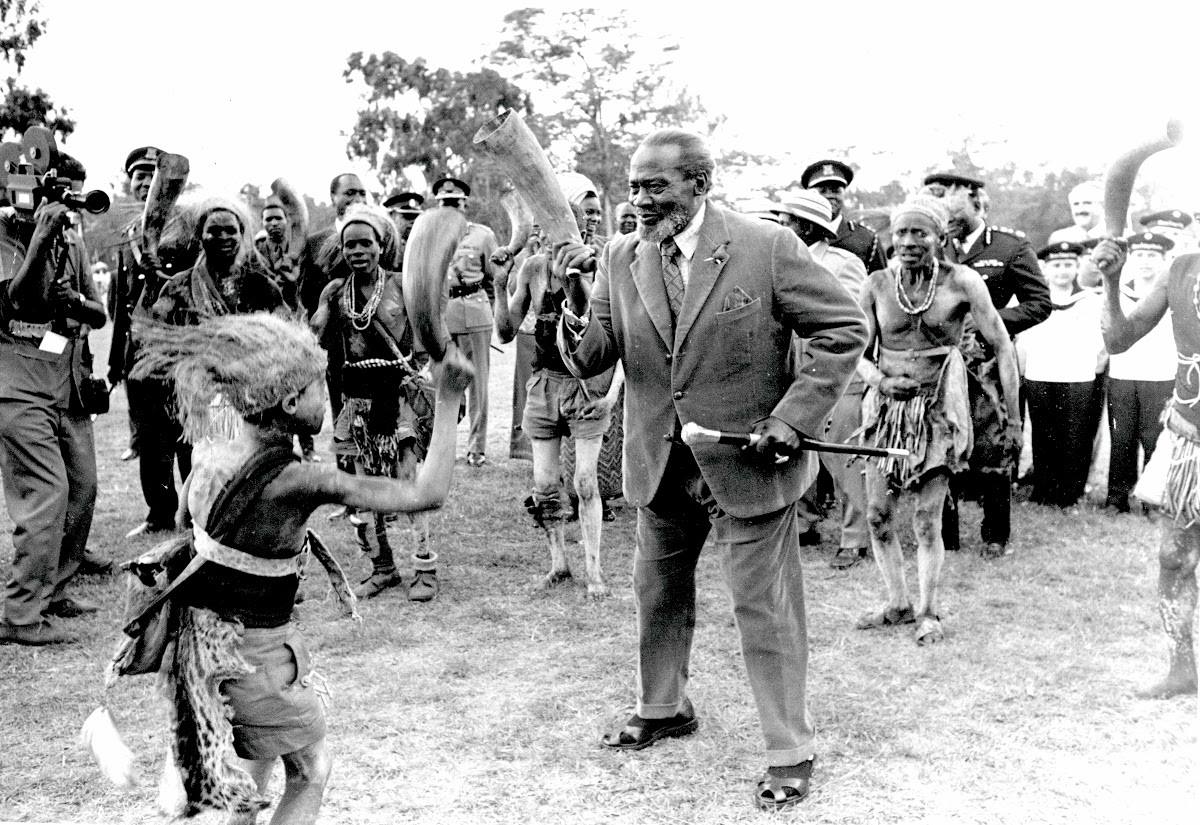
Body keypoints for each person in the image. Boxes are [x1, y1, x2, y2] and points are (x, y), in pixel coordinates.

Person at [555, 129, 868, 810]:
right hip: (660, 462)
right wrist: (573, 299)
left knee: (765, 608)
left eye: (654, 185)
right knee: (656, 594)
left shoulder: (767, 246)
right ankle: (663, 707)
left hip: (749, 462)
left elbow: (843, 327)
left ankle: (790, 750)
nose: (639, 199)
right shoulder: (618, 254)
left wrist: (793, 417)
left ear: (699, 183)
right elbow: (594, 357)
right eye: (634, 185)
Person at [124, 312, 470, 823]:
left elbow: (182, 519)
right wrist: (448, 399)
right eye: (317, 389)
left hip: (203, 644)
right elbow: (426, 492)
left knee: (252, 778)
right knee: (311, 769)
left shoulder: (213, 452)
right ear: (289, 403)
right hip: (255, 656)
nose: (324, 399)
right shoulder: (296, 480)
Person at [855, 196, 1019, 644]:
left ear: (939, 238)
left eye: (919, 233)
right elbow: (858, 353)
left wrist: (1013, 418)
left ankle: (929, 611)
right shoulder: (876, 285)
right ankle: (896, 602)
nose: (909, 242)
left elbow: (1002, 346)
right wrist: (880, 382)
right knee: (877, 516)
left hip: (938, 410)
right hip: (886, 412)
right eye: (901, 232)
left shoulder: (962, 282)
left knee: (928, 518)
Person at [494, 173, 623, 598]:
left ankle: (595, 572)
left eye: (592, 213)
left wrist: (609, 396)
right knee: (546, 486)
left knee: (586, 482)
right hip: (544, 385)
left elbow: (623, 341)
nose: (589, 220)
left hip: (587, 387)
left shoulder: (606, 263)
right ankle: (558, 564)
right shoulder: (532, 269)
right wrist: (498, 284)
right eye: (581, 212)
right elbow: (508, 330)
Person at [0, 155, 108, 646]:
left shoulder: (72, 241)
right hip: (18, 382)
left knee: (81, 488)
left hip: (65, 380)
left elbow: (97, 311)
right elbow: (15, 302)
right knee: (46, 494)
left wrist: (72, 305)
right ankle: (21, 615)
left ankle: (55, 587)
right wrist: (39, 240)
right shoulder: (5, 235)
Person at [311, 204, 442, 602]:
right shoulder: (335, 291)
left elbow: (428, 337)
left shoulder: (403, 284)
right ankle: (382, 567)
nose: (357, 251)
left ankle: (424, 566)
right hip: (355, 400)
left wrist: (428, 380)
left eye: (365, 243)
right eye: (349, 244)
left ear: (381, 244)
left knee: (407, 480)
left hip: (398, 395)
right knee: (363, 489)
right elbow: (314, 336)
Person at [924, 171, 1050, 557]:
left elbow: (1039, 303)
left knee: (993, 445)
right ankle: (945, 537)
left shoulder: (1009, 246)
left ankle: (995, 535)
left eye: (948, 196)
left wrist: (990, 323)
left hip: (989, 364)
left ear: (974, 197)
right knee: (941, 441)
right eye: (934, 197)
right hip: (941, 363)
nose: (942, 206)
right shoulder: (932, 245)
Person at [1094, 235, 1199, 699]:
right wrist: (1111, 280)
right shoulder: (1181, 269)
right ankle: (1182, 668)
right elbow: (1118, 340)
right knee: (1174, 558)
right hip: (1189, 439)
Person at [775, 191, 871, 568]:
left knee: (841, 453)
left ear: (807, 226)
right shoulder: (778, 259)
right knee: (795, 443)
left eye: (788, 222)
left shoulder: (843, 263)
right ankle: (804, 522)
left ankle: (854, 537)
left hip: (833, 367)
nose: (782, 228)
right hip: (790, 362)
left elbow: (852, 322)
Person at [109, 147, 199, 533]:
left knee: (189, 436)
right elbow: (123, 305)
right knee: (151, 440)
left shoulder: (186, 228)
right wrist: (117, 361)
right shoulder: (129, 235)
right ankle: (159, 514)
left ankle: (197, 512)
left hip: (179, 348)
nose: (145, 182)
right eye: (139, 176)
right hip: (140, 353)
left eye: (152, 175)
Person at [1017, 242, 1106, 508]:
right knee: (1043, 434)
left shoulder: (1090, 300)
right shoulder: (1035, 300)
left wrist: (1088, 363)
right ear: (1045, 268)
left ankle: (1070, 492)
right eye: (1056, 265)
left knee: (1075, 435)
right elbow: (1024, 338)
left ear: (1078, 267)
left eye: (1068, 265)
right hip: (1041, 373)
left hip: (1077, 376)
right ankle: (1043, 490)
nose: (1062, 271)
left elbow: (1099, 338)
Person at [1104, 232, 1176, 513]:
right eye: (1139, 255)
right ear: (1130, 259)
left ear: (1164, 260)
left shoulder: (1170, 294)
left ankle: (1151, 499)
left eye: (1152, 256)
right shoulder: (1116, 292)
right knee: (1121, 437)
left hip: (1160, 376)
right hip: (1123, 374)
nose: (1145, 261)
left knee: (1154, 439)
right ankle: (1117, 497)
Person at [435, 176, 499, 467]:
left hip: (476, 311)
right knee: (445, 381)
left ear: (464, 204)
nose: (449, 207)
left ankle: (477, 447)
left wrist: (492, 312)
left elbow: (493, 277)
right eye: (443, 203)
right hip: (445, 314)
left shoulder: (483, 235)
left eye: (454, 202)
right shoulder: (431, 235)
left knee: (479, 383)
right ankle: (443, 446)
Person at [800, 158, 888, 273]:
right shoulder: (796, 234)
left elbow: (880, 284)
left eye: (835, 191)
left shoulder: (866, 238)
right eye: (823, 191)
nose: (830, 196)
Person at [383, 190, 424, 260]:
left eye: (416, 217)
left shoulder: (422, 246)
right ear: (392, 217)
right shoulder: (383, 247)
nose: (413, 222)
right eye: (408, 216)